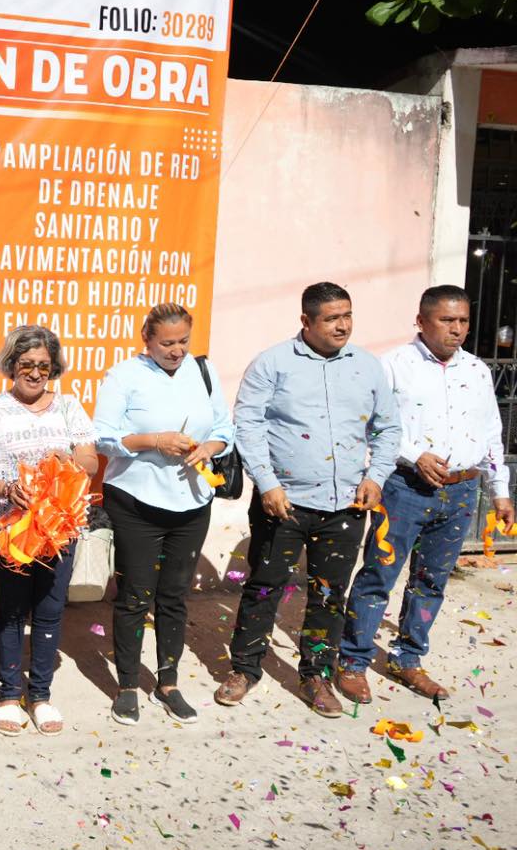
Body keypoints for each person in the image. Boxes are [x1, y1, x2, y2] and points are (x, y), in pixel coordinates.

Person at [217, 283, 401, 717]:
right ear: (306, 321)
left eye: (347, 315)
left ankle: (315, 675)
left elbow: (389, 428)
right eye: (332, 318)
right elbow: (247, 425)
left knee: (329, 595)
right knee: (264, 588)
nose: (343, 325)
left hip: (346, 506)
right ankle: (244, 668)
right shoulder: (273, 364)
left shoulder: (368, 367)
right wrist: (267, 483)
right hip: (283, 504)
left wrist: (376, 476)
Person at [338, 286, 513, 703]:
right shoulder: (394, 367)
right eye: (447, 320)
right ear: (421, 321)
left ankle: (408, 659)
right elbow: (373, 426)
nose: (457, 330)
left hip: (462, 490)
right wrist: (415, 455)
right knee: (378, 575)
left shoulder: (477, 370)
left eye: (464, 321)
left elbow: (491, 433)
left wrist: (501, 492)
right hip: (404, 489)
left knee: (431, 581)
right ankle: (354, 662)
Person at [93, 304, 234, 726]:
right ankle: (127, 686)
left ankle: (168, 683)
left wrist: (210, 448)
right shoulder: (124, 376)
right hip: (137, 502)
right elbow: (102, 436)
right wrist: (153, 441)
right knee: (135, 596)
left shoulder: (202, 372)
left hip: (192, 502)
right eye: (166, 343)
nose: (176, 351)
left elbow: (225, 429)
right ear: (146, 339)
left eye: (183, 342)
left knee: (173, 595)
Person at [0, 325, 99, 737]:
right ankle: (8, 695)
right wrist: (8, 489)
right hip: (12, 529)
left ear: (54, 368)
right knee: (12, 610)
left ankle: (40, 695)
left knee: (50, 611)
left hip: (60, 529)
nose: (36, 373)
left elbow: (91, 464)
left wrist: (69, 460)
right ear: (12, 365)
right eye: (27, 364)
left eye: (44, 365)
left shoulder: (70, 408)